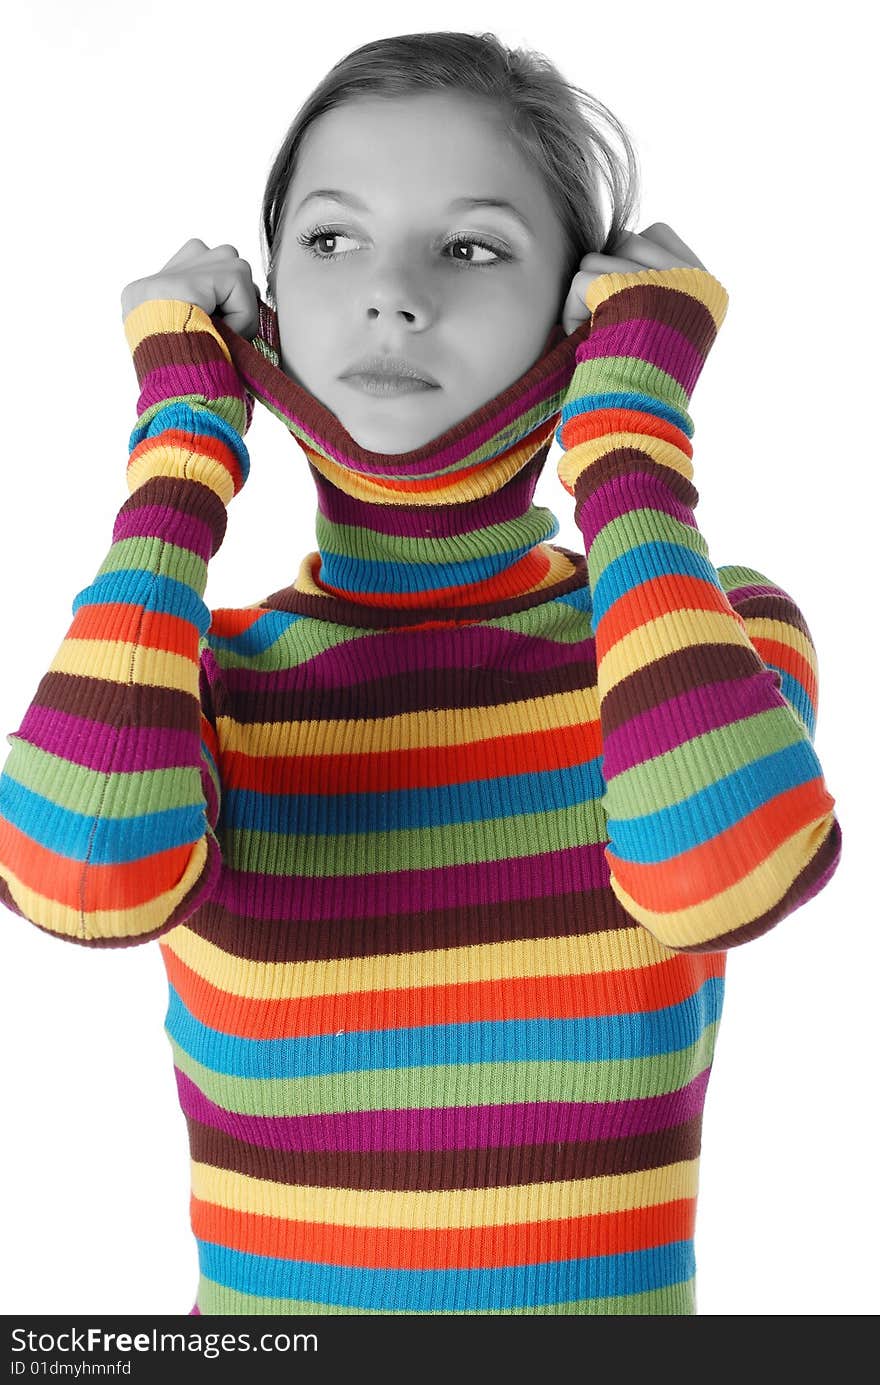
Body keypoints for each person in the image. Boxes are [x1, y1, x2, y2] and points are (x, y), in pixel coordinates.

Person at [0, 30, 841, 1316]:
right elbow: (75, 887)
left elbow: (722, 873)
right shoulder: (191, 673)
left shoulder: (711, 630)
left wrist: (631, 436)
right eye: (332, 240)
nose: (391, 293)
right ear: (266, 293)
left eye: (473, 246)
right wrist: (179, 446)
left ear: (584, 305)